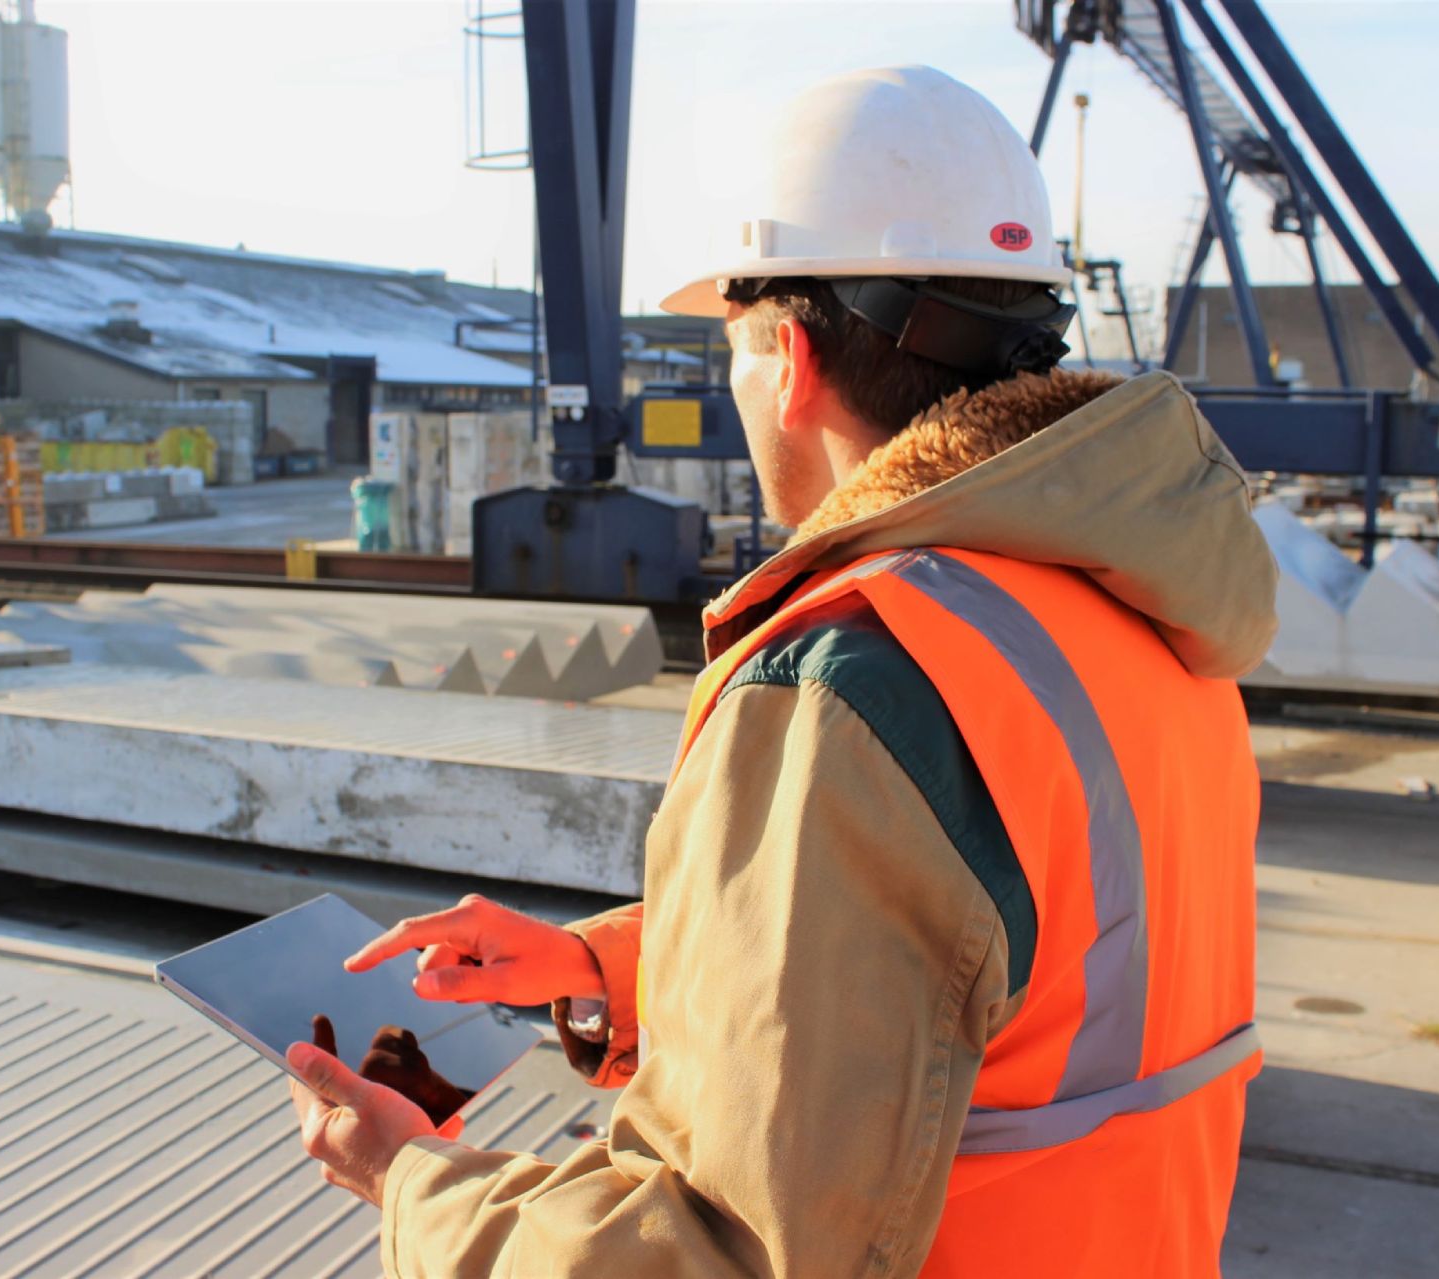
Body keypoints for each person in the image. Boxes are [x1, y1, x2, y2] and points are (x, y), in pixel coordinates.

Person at [286, 64, 1278, 1277]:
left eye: (732, 352)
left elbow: (719, 1254)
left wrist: (409, 1182)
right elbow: (979, 958)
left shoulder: (857, 679)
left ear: (791, 358)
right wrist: (599, 966)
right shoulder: (1129, 613)